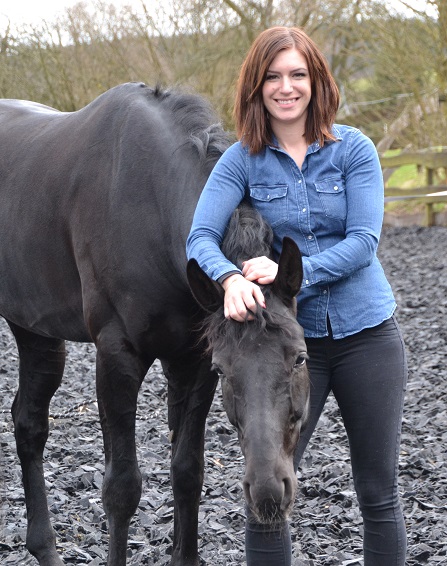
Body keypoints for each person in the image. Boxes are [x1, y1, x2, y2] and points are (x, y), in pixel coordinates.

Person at [186, 26, 407, 565]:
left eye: (297, 75)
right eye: (273, 77)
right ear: (256, 88)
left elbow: (363, 242)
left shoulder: (354, 149)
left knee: (378, 494)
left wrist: (293, 274)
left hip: (365, 336)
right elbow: (198, 239)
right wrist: (230, 279)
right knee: (268, 491)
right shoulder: (240, 160)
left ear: (317, 81)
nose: (286, 88)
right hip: (280, 350)